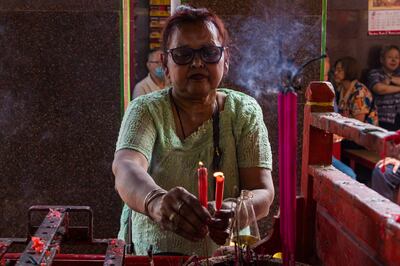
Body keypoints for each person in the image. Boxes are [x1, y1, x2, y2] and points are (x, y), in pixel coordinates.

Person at [112, 5, 274, 256]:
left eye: (209, 52)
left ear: (225, 59)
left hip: (223, 257)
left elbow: (263, 191)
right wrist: (157, 202)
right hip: (151, 256)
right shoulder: (145, 109)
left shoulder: (243, 112)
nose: (198, 62)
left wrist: (237, 210)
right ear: (165, 64)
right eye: (183, 54)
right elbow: (126, 168)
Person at [334, 56, 378, 126]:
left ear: (349, 71)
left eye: (339, 70)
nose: (335, 73)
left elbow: (358, 123)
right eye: (335, 70)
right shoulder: (340, 89)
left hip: (364, 132)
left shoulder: (359, 92)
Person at [367, 45, 400, 131]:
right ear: (382, 60)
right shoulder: (375, 73)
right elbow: (379, 89)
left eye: (396, 57)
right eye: (390, 57)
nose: (393, 60)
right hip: (384, 118)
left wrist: (390, 80)